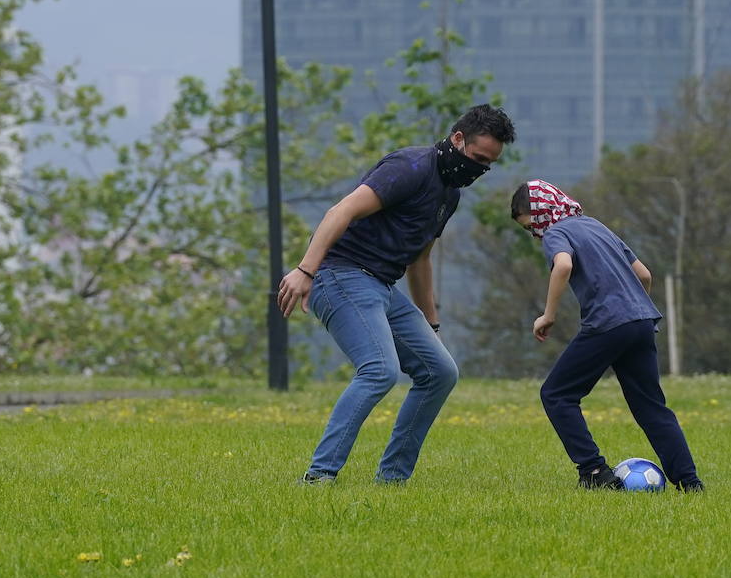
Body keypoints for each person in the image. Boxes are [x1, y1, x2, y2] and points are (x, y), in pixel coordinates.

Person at [276, 105, 516, 484]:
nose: (479, 170)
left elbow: (421, 261)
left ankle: (392, 479)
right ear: (457, 139)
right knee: (379, 370)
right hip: (340, 275)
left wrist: (430, 323)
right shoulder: (411, 167)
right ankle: (319, 476)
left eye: (487, 165)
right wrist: (305, 270)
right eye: (477, 158)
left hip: (381, 286)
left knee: (440, 371)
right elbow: (341, 211)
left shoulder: (449, 195)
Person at [511, 179, 704, 492]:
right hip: (642, 320)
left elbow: (562, 266)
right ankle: (689, 482)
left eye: (530, 226)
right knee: (651, 407)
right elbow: (644, 274)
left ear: (540, 213)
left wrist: (548, 316)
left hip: (608, 323)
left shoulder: (556, 231)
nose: (534, 234)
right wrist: (634, 308)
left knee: (556, 394)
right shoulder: (595, 226)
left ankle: (594, 471)